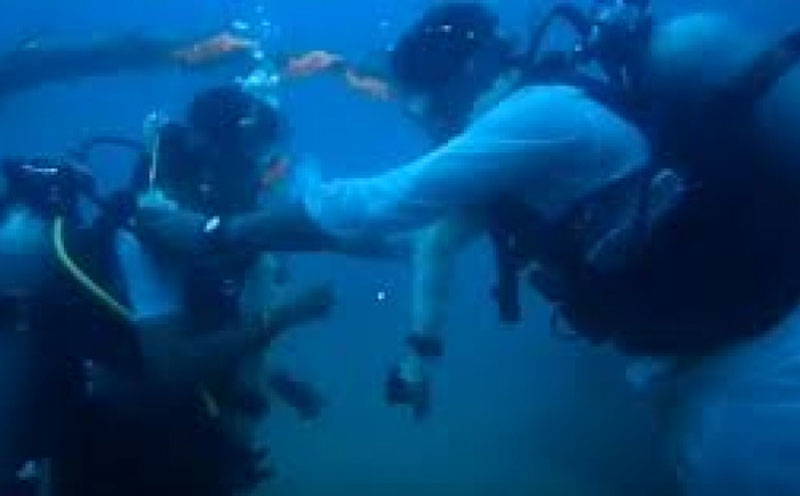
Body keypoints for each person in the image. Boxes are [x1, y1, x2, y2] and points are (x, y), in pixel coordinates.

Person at [138, 1, 800, 493]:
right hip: (691, 369)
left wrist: (218, 230)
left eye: (422, 97)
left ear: (460, 74)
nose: (422, 117)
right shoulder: (520, 144)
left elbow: (385, 203)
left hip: (758, 369)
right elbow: (422, 242)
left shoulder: (540, 116)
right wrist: (417, 358)